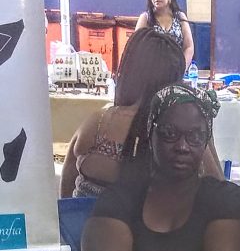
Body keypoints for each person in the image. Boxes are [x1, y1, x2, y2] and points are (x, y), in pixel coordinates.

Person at [82, 85, 240, 251]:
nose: (182, 146)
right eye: (170, 134)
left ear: (206, 141)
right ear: (151, 133)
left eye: (195, 136)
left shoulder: (225, 199)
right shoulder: (120, 198)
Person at [60, 28, 222, 200]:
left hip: (88, 216)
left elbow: (67, 185)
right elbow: (219, 192)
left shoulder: (99, 123)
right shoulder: (184, 129)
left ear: (129, 71)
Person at [135, 0, 194, 67]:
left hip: (177, 68)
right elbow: (136, 46)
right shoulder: (145, 18)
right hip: (151, 68)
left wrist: (182, 68)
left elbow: (189, 47)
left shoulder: (180, 16)